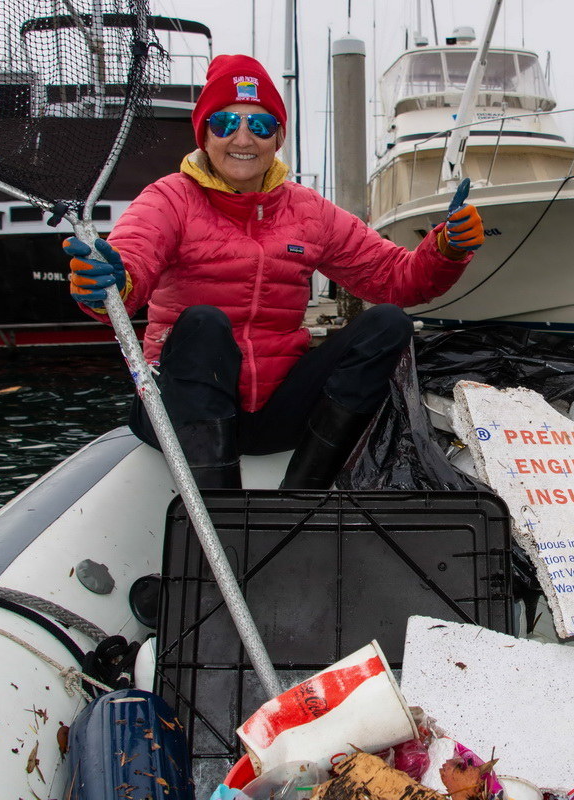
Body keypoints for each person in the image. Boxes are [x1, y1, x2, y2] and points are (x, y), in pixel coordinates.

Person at [64, 54, 485, 490]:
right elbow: (130, 266)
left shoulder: (308, 210)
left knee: (389, 323)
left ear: (278, 137)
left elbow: (396, 279)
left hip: (275, 413)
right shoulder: (168, 199)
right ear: (204, 134)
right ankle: (220, 511)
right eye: (225, 123)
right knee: (204, 323)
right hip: (179, 414)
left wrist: (447, 249)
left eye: (261, 126)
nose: (243, 138)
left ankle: (302, 495)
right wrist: (108, 284)